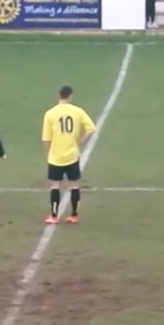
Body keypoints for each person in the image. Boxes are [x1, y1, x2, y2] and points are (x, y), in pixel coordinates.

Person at [41, 86, 97, 224]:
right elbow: (91, 129)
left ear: (58, 96)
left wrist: (49, 153)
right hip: (72, 155)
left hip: (55, 157)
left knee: (55, 186)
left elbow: (46, 138)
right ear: (70, 96)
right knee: (74, 185)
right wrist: (80, 142)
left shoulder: (50, 113)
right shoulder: (77, 111)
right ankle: (74, 215)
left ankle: (54, 216)